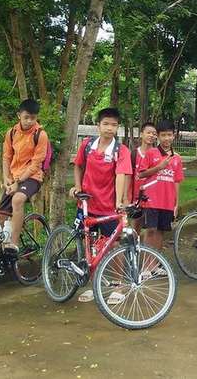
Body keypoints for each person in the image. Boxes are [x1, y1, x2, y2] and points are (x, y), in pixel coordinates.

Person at [70, 107, 132, 303]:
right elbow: (78, 165)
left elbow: (121, 174)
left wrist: (119, 202)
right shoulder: (87, 145)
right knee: (89, 245)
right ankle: (93, 284)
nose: (109, 128)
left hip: (108, 207)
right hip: (87, 204)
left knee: (113, 244)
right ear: (98, 125)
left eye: (114, 125)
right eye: (106, 124)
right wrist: (77, 187)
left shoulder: (120, 150)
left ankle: (120, 285)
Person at [0, 99, 49, 257]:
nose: (29, 121)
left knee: (17, 200)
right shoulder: (11, 133)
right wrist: (6, 177)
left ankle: (14, 243)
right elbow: (6, 156)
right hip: (13, 177)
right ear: (19, 115)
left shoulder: (41, 135)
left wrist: (18, 182)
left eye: (33, 118)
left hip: (33, 177)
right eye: (26, 117)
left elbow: (35, 164)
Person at [138, 120, 184, 256]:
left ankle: (155, 263)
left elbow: (177, 181)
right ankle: (146, 266)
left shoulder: (177, 158)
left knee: (160, 232)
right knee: (150, 230)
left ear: (174, 136)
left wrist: (176, 204)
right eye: (163, 135)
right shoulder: (151, 153)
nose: (167, 138)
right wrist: (159, 167)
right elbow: (141, 173)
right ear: (158, 136)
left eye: (169, 135)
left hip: (167, 202)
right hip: (151, 200)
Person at [129, 122, 157, 233]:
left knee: (152, 230)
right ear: (141, 134)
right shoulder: (134, 154)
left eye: (154, 133)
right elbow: (129, 177)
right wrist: (127, 198)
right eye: (148, 132)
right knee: (135, 229)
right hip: (137, 199)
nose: (151, 135)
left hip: (153, 199)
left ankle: (147, 250)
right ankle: (134, 250)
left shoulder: (158, 155)